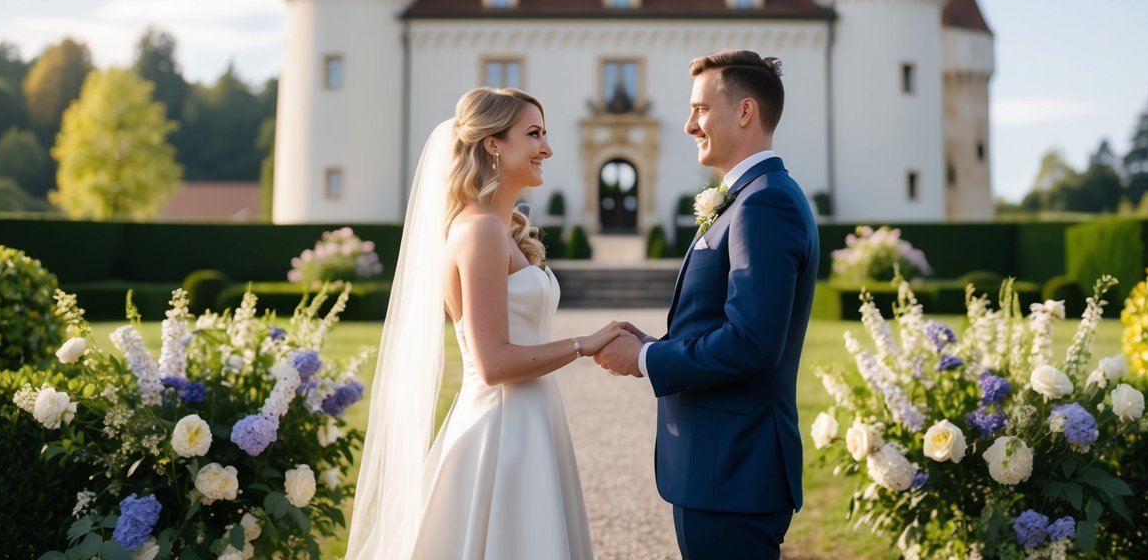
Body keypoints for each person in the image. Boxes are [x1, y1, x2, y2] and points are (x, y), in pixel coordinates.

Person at [346, 87, 623, 560]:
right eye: (533, 134)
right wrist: (584, 344)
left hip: (534, 414)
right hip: (503, 425)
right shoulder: (478, 232)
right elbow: (492, 363)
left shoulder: (506, 230)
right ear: (493, 143)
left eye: (545, 134)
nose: (547, 148)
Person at [595, 50, 820, 560]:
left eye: (700, 109)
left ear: (744, 112)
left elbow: (752, 343)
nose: (688, 125)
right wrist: (654, 346)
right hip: (720, 470)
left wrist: (648, 361)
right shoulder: (747, 197)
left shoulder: (764, 202)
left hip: (735, 471)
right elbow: (732, 323)